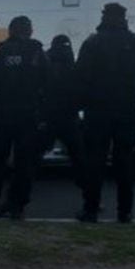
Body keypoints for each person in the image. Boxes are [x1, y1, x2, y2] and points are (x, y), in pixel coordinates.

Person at [74, 2, 135, 223]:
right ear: (124, 19)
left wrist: (83, 104)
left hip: (97, 111)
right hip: (127, 110)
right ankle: (125, 212)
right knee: (124, 163)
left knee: (94, 162)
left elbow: (79, 79)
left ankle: (91, 209)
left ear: (104, 18)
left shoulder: (92, 43)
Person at [0, 15, 49, 220]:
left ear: (10, 31)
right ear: (29, 31)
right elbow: (49, 87)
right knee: (24, 165)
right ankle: (17, 206)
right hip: (28, 120)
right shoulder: (37, 55)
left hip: (1, 120)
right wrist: (41, 116)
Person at [43, 34, 85, 190]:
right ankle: (91, 200)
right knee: (79, 160)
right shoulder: (74, 66)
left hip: (48, 117)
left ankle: (16, 203)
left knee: (31, 160)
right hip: (69, 117)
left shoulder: (44, 62)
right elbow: (82, 91)